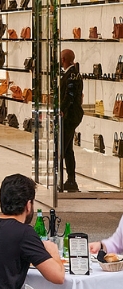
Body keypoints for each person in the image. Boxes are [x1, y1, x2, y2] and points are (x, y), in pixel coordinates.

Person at [60, 48, 83, 192]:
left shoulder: (72, 75)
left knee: (62, 148)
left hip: (69, 116)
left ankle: (68, 180)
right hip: (70, 115)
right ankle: (71, 181)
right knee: (67, 150)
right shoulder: (73, 73)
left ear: (64, 60)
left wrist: (61, 109)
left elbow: (69, 95)